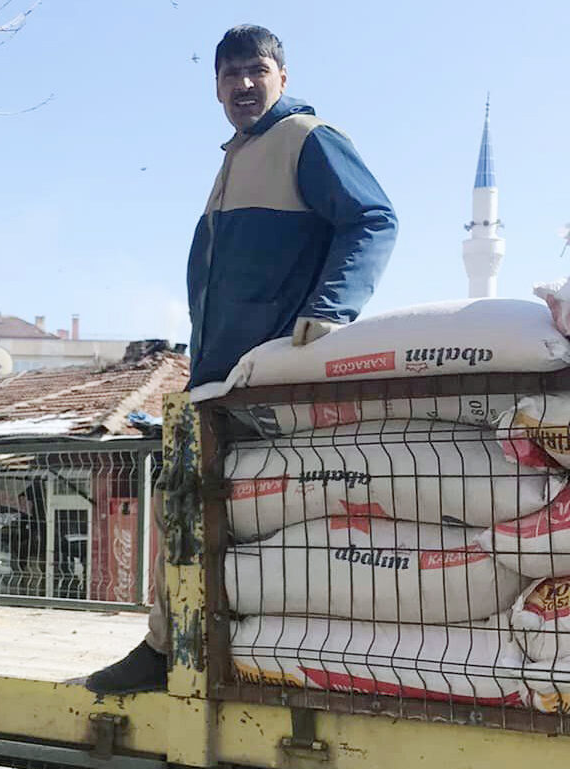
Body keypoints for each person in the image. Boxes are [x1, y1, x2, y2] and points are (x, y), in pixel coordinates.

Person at [85, 24, 397, 695]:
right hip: (220, 378)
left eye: (256, 70)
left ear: (282, 76)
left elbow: (374, 218)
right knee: (197, 510)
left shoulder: (304, 139)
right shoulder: (234, 163)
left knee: (240, 517)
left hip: (270, 375)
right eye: (229, 75)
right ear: (216, 88)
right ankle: (177, 646)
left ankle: (193, 650)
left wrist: (332, 310)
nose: (243, 85)